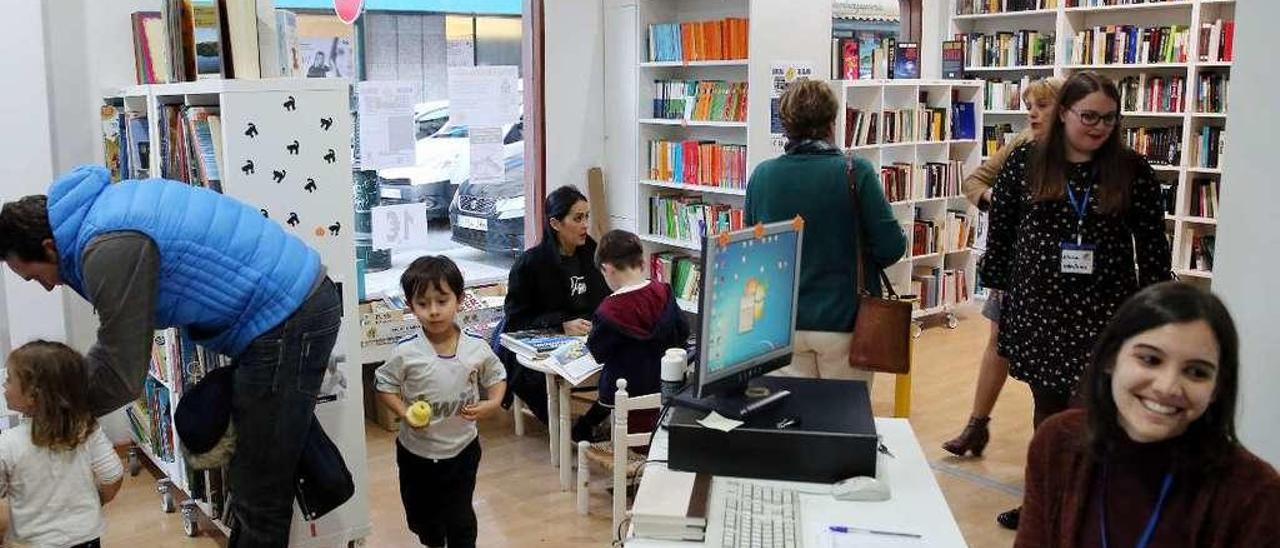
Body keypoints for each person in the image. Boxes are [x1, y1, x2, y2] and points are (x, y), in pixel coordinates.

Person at [0, 165, 343, 546]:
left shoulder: (108, 246)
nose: (47, 287)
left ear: (49, 247)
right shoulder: (99, 218)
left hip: (287, 316)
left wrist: (55, 413)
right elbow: (114, 350)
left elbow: (120, 371)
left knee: (260, 487)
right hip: (284, 312)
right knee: (257, 472)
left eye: (35, 276)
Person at [978, 71, 1172, 529]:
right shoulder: (1026, 160)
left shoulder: (1131, 169)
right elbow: (1001, 231)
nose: (1099, 127)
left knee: (1092, 411)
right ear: (1064, 112)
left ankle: (1090, 509)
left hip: (1105, 312)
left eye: (1109, 118)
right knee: (1047, 412)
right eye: (1088, 116)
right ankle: (1046, 506)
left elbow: (1151, 245)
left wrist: (1157, 309)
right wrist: (999, 288)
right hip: (1039, 310)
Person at [1016, 282, 1280, 547]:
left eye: (1197, 372)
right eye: (1150, 360)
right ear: (1111, 358)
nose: (1167, 387)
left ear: (1216, 389)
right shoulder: (1058, 442)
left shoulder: (1255, 494)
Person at [744, 79, 906, 383]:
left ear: (786, 126)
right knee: (844, 423)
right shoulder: (856, 172)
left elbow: (752, 252)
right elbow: (892, 248)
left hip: (780, 322)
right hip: (845, 320)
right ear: (833, 122)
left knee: (791, 422)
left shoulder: (762, 176)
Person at [944, 76, 1064, 458]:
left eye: (1042, 106)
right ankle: (976, 426)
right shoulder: (1020, 145)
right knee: (997, 343)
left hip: (1057, 276)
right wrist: (1002, 200)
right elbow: (975, 179)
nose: (1033, 112)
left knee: (1048, 366)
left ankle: (1048, 454)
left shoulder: (1078, 155)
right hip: (1013, 262)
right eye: (1029, 105)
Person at [376, 256, 507, 548]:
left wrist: (494, 402)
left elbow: (496, 376)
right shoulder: (405, 351)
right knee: (422, 520)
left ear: (459, 300)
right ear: (411, 306)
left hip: (462, 451)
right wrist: (404, 412)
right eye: (423, 304)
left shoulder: (476, 346)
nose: (433, 311)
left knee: (460, 518)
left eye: (442, 301)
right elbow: (384, 386)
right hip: (415, 454)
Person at [498, 185, 609, 424]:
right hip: (547, 338)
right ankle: (567, 430)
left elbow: (605, 299)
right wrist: (561, 325)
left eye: (587, 217)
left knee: (627, 358)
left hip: (588, 335)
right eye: (577, 218)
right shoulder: (531, 264)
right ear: (556, 224)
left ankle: (593, 422)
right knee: (532, 375)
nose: (584, 225)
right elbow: (516, 319)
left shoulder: (593, 253)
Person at [0, 340, 124, 548]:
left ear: (33, 395)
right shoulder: (87, 430)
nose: (4, 385)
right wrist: (95, 503)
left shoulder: (8, 444)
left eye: (9, 379)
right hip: (86, 539)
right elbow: (113, 476)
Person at [569, 230, 689, 444]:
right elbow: (682, 331)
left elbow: (597, 352)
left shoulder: (609, 310)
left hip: (626, 391)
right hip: (665, 383)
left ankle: (584, 430)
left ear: (607, 269)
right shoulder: (664, 291)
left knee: (610, 378)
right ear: (642, 263)